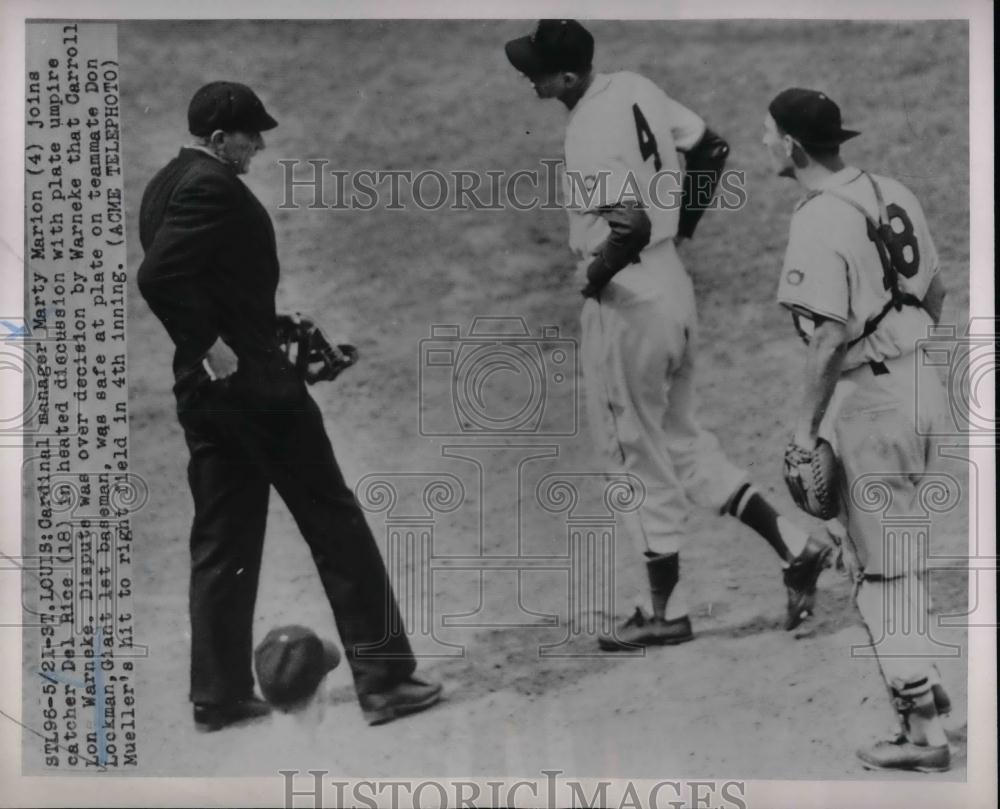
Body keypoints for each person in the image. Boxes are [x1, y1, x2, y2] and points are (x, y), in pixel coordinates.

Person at [504, 21, 832, 651]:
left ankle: (667, 612)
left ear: (568, 78)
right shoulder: (635, 86)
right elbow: (710, 147)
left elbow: (625, 225)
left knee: (633, 452)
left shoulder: (586, 130)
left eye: (537, 70)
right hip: (671, 287)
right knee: (677, 441)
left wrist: (593, 273)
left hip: (628, 302)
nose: (530, 78)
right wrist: (680, 231)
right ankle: (795, 545)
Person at [137, 81, 442, 731]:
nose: (260, 143)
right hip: (258, 394)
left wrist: (257, 322)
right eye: (251, 134)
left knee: (222, 539)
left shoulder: (167, 181)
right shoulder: (212, 186)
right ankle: (385, 681)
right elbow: (158, 276)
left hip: (206, 395)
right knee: (336, 524)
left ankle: (217, 695)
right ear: (219, 139)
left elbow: (203, 277)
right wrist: (217, 343)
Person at [763, 87, 953, 772]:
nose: (765, 145)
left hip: (872, 406)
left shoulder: (817, 220)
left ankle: (922, 735)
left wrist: (801, 428)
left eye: (768, 135)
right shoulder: (890, 188)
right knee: (899, 550)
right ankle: (931, 688)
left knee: (879, 571)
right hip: (921, 386)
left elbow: (829, 337)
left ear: (790, 145)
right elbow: (934, 290)